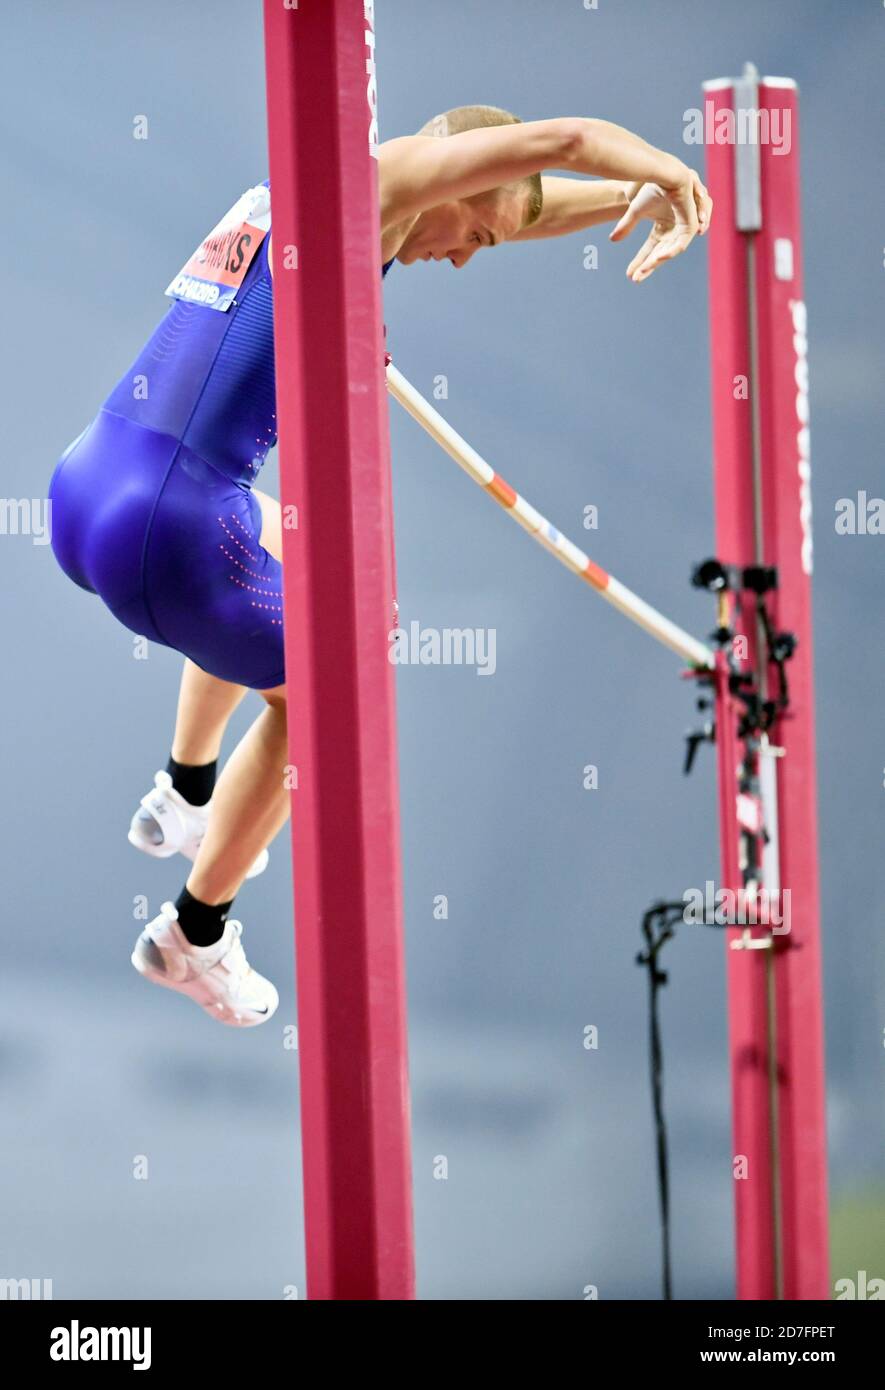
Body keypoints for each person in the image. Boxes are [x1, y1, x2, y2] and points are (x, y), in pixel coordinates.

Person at [48, 105, 712, 1027]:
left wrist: (618, 197)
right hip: (175, 529)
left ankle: (185, 790)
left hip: (90, 487)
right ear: (448, 174)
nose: (471, 258)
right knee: (336, 682)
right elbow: (558, 143)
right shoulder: (378, 181)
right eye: (474, 234)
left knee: (289, 547)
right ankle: (193, 937)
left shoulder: (310, 196)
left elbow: (521, 196)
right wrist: (673, 172)